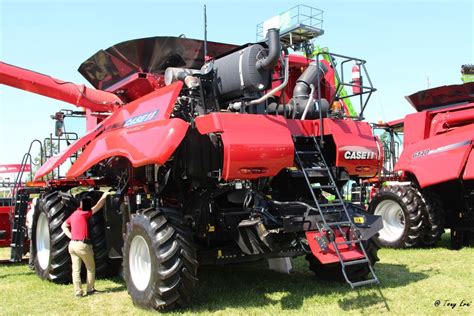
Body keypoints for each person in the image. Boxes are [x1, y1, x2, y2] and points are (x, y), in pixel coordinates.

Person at [61, 191, 109, 298]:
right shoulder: (85, 213)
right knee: (90, 268)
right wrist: (104, 196)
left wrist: (71, 236)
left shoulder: (74, 214)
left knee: (76, 270)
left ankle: (78, 292)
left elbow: (63, 226)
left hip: (72, 245)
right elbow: (98, 206)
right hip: (82, 245)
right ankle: (90, 290)